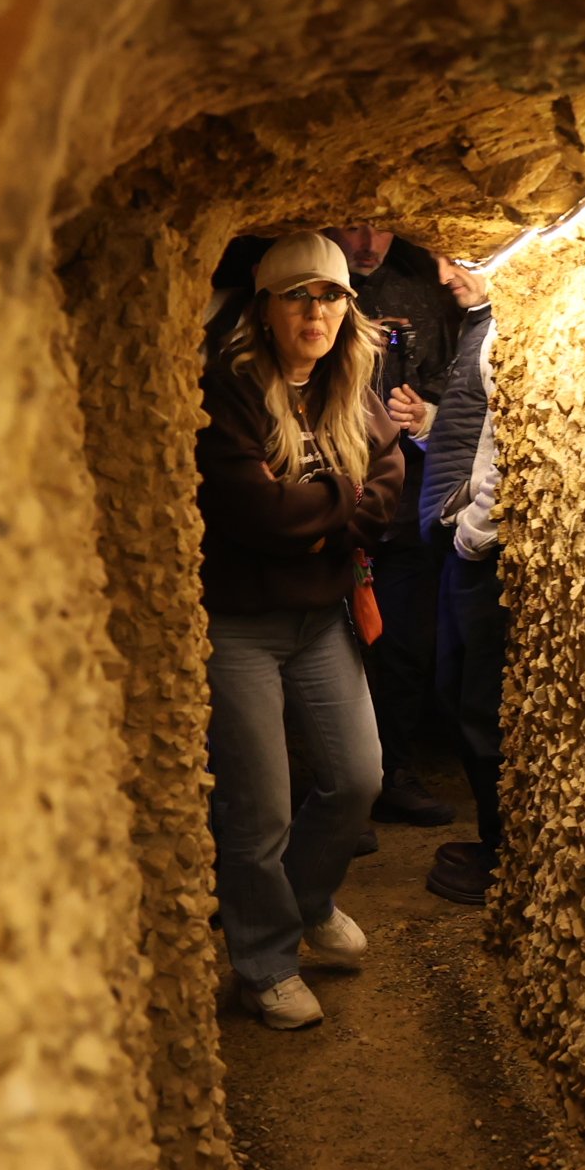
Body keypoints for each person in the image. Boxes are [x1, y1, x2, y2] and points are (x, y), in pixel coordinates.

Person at [197, 232, 403, 1030]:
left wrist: (320, 513)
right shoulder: (234, 390)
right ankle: (265, 963)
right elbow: (252, 511)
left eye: (329, 298)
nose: (315, 313)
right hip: (242, 621)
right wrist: (336, 509)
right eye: (298, 297)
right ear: (266, 309)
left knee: (357, 779)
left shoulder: (350, 388)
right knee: (260, 811)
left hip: (320, 618)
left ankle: (309, 901)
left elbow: (388, 491)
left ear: (347, 313)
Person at [331, 223, 460, 828]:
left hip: (401, 496)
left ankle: (393, 772)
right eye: (352, 226)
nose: (366, 241)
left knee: (403, 641)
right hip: (327, 493)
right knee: (330, 643)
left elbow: (450, 377)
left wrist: (425, 408)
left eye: (379, 227)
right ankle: (335, 791)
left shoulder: (417, 291)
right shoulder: (311, 288)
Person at [422, 254, 507, 904]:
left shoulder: (505, 329)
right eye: (436, 260)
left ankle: (501, 856)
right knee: (457, 689)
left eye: (457, 258)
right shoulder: (479, 322)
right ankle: (495, 845)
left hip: (479, 552)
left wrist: (473, 530)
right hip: (464, 547)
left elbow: (506, 444)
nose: (445, 274)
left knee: (480, 705)